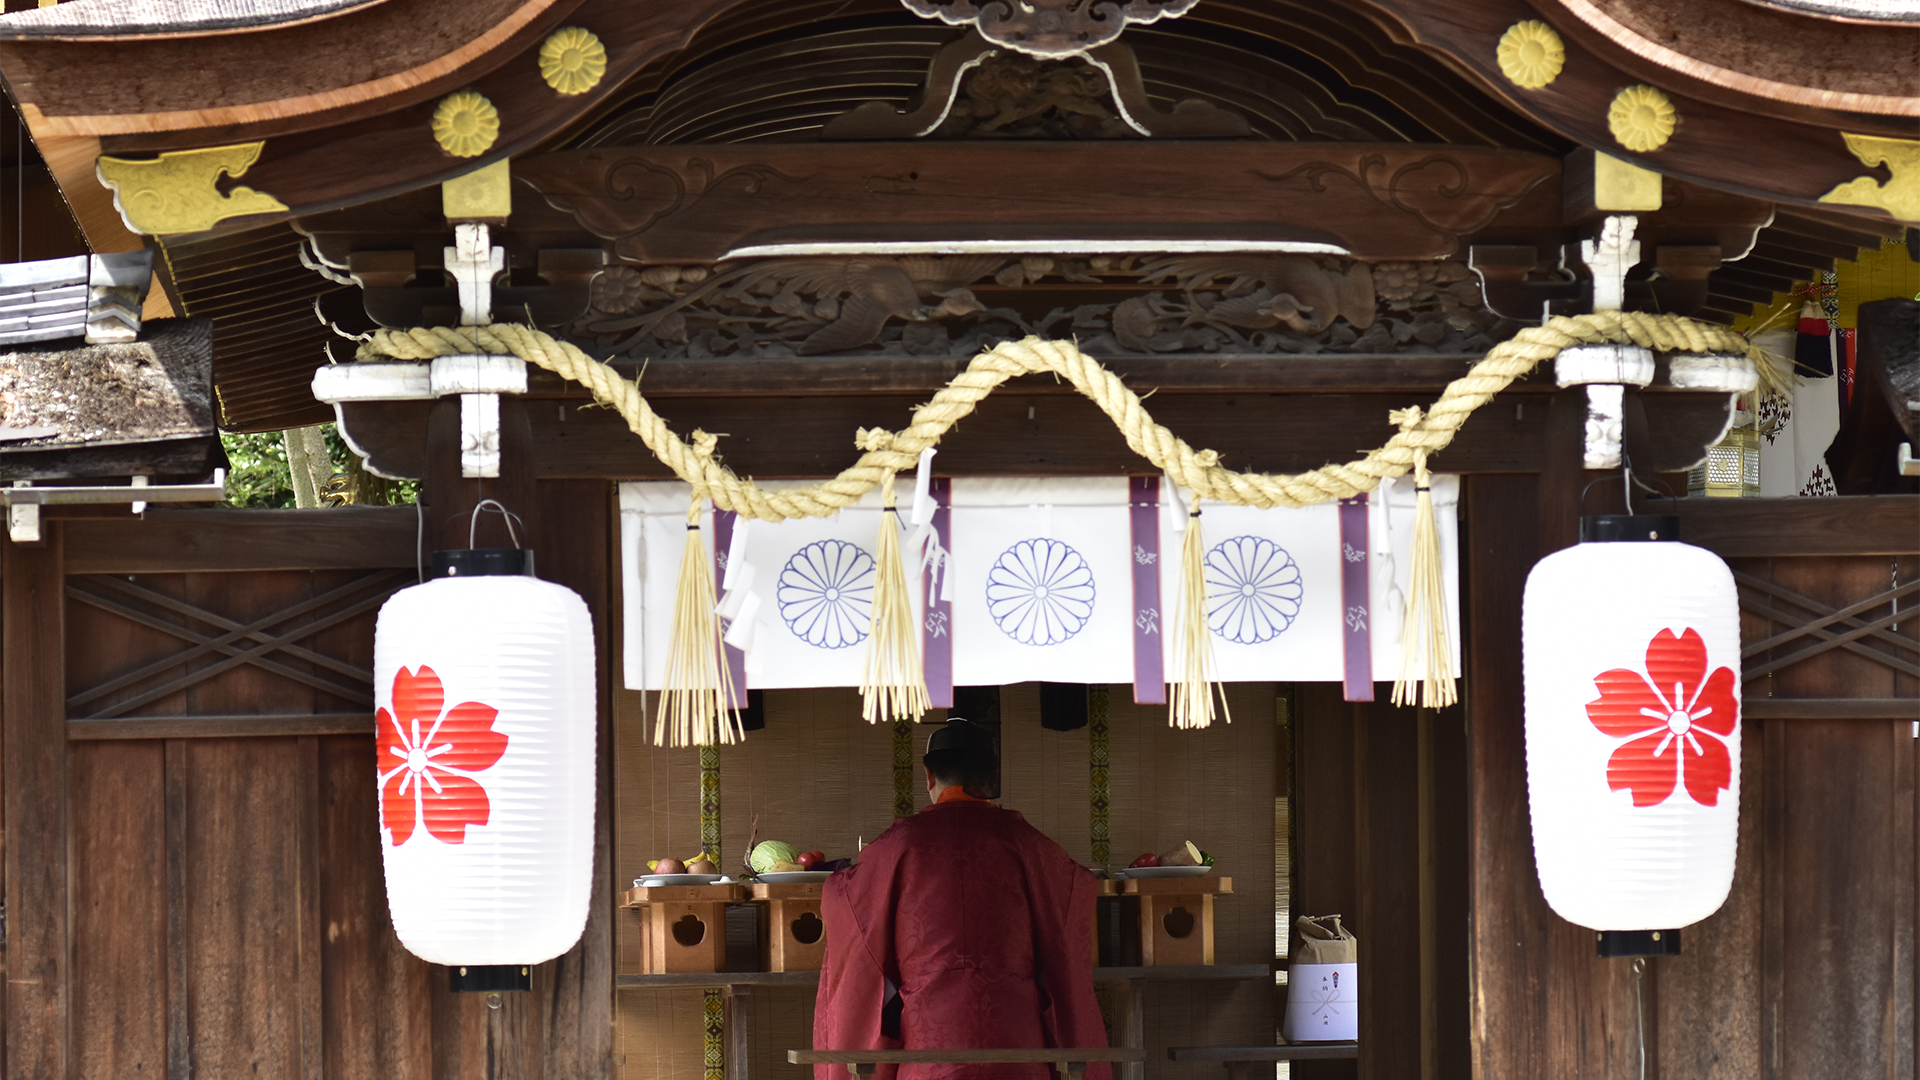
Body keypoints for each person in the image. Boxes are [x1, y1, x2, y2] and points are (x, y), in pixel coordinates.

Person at [812, 718, 1111, 1080]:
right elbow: (1077, 888)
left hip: (931, 1045)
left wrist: (840, 876)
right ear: (990, 778)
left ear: (928, 776)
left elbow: (843, 897)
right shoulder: (1026, 842)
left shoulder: (900, 844)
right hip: (1016, 1044)